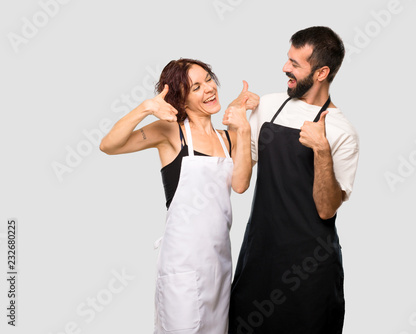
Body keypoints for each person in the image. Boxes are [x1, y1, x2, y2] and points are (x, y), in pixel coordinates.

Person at [99, 58, 258, 334]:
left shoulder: (228, 138)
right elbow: (109, 145)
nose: (209, 89)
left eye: (208, 79)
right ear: (181, 100)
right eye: (196, 87)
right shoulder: (171, 133)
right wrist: (146, 108)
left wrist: (242, 126)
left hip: (219, 264)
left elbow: (241, 184)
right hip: (182, 264)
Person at [229, 26, 360, 334]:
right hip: (259, 256)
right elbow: (240, 178)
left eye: (295, 64)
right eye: (288, 59)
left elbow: (328, 209)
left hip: (310, 267)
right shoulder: (269, 107)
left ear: (321, 72)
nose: (285, 68)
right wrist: (239, 121)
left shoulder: (342, 131)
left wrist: (322, 151)